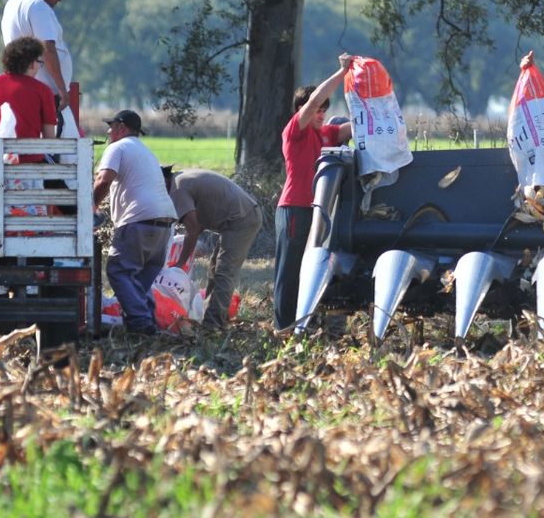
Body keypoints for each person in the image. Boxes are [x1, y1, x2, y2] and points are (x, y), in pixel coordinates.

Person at [274, 54, 355, 330]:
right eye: (317, 109)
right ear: (302, 109)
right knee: (291, 271)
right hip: (295, 208)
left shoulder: (327, 134)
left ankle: (308, 325)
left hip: (320, 212)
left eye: (324, 110)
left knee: (314, 268)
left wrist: (370, 97)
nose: (320, 114)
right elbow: (314, 99)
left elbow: (354, 127)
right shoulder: (295, 130)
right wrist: (341, 73)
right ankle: (284, 328)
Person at [93, 110, 177, 335]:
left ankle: (140, 322)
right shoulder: (146, 152)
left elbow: (104, 179)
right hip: (164, 222)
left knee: (118, 270)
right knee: (139, 278)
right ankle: (147, 320)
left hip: (138, 219)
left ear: (121, 127)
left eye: (111, 126)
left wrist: (90, 205)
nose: (109, 132)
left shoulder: (117, 147)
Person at [166, 167, 263, 329]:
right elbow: (201, 215)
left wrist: (180, 264)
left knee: (224, 271)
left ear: (163, 181)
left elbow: (194, 229)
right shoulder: (181, 179)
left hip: (241, 218)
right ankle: (210, 316)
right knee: (214, 267)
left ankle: (212, 325)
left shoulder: (177, 189)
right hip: (240, 215)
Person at [1, 0, 74, 104]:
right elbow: (47, 49)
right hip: (44, 91)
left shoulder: (13, 2)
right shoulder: (38, 6)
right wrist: (61, 88)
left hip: (24, 85)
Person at [0, 37, 57, 142]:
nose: (39, 67)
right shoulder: (43, 90)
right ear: (31, 64)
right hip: (30, 157)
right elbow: (49, 137)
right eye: (39, 62)